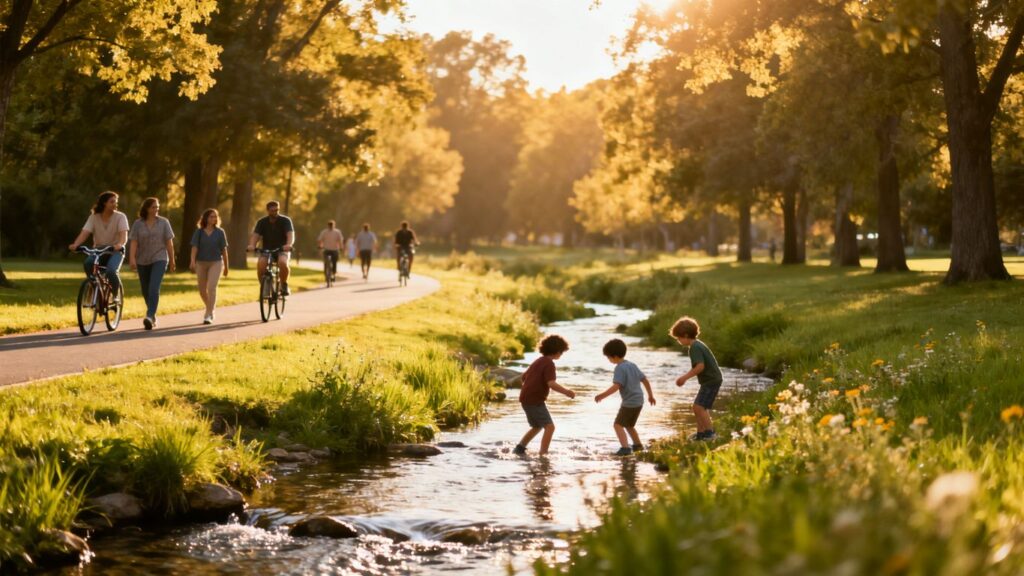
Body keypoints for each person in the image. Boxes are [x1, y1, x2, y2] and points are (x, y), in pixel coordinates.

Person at [513, 335, 576, 456]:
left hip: (525, 398)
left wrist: (532, 386)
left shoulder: (538, 360)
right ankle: (543, 453)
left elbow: (523, 377)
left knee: (537, 426)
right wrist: (567, 392)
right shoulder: (549, 363)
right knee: (550, 427)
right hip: (535, 400)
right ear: (558, 351)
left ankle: (520, 448)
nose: (561, 354)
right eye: (561, 352)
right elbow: (551, 384)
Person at [594, 338, 656, 456]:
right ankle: (638, 445)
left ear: (615, 356)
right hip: (639, 400)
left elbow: (616, 386)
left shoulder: (619, 368)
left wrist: (602, 395)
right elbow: (645, 380)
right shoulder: (632, 365)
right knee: (629, 425)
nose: (609, 360)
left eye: (608, 357)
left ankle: (625, 448)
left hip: (630, 402)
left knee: (617, 425)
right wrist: (650, 396)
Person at [670, 316, 723, 441]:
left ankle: (710, 434)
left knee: (698, 407)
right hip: (711, 379)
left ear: (686, 335)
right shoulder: (698, 345)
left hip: (711, 380)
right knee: (700, 407)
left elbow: (700, 366)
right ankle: (701, 433)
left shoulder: (695, 348)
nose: (678, 340)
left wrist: (684, 378)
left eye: (679, 337)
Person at [68, 191, 129, 299]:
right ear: (104, 203)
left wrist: (119, 244)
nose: (115, 204)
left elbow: (123, 236)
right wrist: (76, 244)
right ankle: (93, 286)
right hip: (99, 250)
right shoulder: (94, 217)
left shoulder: (121, 217)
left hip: (115, 250)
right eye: (112, 201)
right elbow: (85, 233)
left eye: (116, 201)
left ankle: (115, 295)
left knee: (111, 271)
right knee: (88, 263)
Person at [128, 197, 175, 330]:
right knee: (145, 289)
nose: (156, 209)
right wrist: (132, 259)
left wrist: (172, 260)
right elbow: (134, 242)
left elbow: (169, 243)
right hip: (142, 260)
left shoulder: (164, 222)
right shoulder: (138, 224)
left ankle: (149, 315)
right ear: (147, 208)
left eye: (157, 207)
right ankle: (152, 315)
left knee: (154, 287)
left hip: (159, 258)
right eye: (154, 207)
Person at [190, 208, 229, 325]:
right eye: (211, 216)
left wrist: (226, 266)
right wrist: (192, 261)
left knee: (211, 287)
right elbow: (194, 247)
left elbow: (224, 250)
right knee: (202, 291)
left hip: (215, 263)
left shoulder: (220, 232)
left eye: (215, 216)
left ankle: (208, 314)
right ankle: (211, 308)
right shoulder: (199, 232)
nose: (213, 219)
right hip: (201, 263)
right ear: (206, 218)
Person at [247, 201, 294, 295]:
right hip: (267, 250)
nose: (275, 212)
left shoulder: (285, 220)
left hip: (282, 249)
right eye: (272, 211)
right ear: (267, 211)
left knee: (282, 262)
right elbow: (256, 235)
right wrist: (252, 245)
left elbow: (290, 234)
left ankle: (283, 284)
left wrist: (289, 244)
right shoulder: (262, 222)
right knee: (261, 265)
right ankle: (264, 286)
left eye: (277, 210)